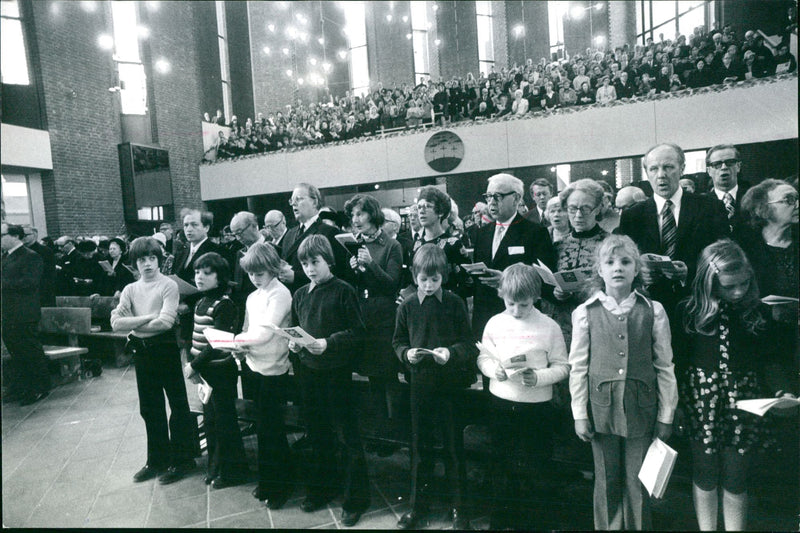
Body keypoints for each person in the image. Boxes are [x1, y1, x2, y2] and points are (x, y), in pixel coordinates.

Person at [674, 239, 794, 531]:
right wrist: (674, 405)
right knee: (704, 471)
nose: (738, 292)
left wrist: (782, 391)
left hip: (745, 402)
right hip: (701, 403)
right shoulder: (688, 312)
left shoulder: (758, 312)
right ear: (708, 281)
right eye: (729, 286)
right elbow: (675, 362)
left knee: (737, 475)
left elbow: (770, 361)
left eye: (743, 283)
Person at [569, 234, 678, 530]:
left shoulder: (653, 311)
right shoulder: (584, 313)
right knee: (605, 479)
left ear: (636, 270)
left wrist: (666, 414)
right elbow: (577, 368)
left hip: (642, 407)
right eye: (610, 262)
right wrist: (580, 414)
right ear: (599, 270)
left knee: (639, 480)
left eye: (626, 262)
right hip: (600, 409)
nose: (618, 267)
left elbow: (664, 366)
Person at [393, 244, 478, 530]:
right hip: (420, 385)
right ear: (415, 276)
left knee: (454, 447)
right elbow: (397, 342)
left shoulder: (454, 303)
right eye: (423, 279)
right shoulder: (406, 305)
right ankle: (418, 507)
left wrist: (451, 353)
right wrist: (407, 354)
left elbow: (469, 344)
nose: (429, 285)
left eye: (435, 279)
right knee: (420, 447)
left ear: (444, 276)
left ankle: (460, 509)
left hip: (450, 386)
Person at [477, 264, 569, 530]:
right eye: (510, 304)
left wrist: (538, 377)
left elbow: (562, 366)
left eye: (524, 305)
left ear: (536, 298)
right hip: (501, 402)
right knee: (501, 462)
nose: (516, 311)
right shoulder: (495, 322)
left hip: (536, 407)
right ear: (502, 297)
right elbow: (484, 356)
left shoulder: (549, 326)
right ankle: (501, 519)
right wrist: (494, 370)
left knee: (534, 465)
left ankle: (532, 523)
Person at [289, 235, 369, 526]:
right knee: (317, 432)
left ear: (328, 261)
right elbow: (297, 327)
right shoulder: (299, 294)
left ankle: (356, 499)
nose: (310, 268)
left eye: (315, 262)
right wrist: (295, 344)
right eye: (305, 263)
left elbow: (358, 332)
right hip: (308, 371)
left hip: (336, 372)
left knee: (347, 436)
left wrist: (329, 343)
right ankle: (323, 489)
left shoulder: (344, 290)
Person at [110, 237, 197, 485]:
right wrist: (149, 316)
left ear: (159, 260)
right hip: (142, 351)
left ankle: (182, 460)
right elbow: (115, 323)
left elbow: (166, 323)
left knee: (177, 405)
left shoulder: (167, 285)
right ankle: (156, 459)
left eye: (152, 258)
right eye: (141, 259)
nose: (147, 264)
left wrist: (135, 321)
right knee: (149, 407)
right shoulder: (130, 289)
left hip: (165, 349)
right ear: (134, 263)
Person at [617, 143, 729, 322]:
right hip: (647, 308)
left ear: (682, 168)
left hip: (698, 304)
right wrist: (639, 274)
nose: (661, 175)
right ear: (647, 173)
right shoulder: (632, 215)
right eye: (654, 169)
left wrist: (689, 272)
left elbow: (723, 256)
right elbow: (621, 261)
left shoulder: (710, 207)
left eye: (668, 167)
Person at [232, 243, 295, 509]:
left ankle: (281, 484)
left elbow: (267, 332)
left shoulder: (280, 294)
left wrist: (238, 340)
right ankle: (268, 480)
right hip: (253, 364)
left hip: (275, 368)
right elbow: (248, 327)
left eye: (259, 273)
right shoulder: (253, 296)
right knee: (263, 428)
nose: (255, 279)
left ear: (271, 269)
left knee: (273, 429)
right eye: (250, 274)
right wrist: (238, 348)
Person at [181, 252, 248, 489]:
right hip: (205, 372)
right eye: (197, 272)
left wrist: (194, 365)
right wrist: (193, 361)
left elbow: (216, 342)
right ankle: (215, 466)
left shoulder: (225, 304)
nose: (199, 276)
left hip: (220, 371)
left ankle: (234, 471)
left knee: (224, 421)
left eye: (206, 273)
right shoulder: (201, 301)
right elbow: (195, 338)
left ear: (219, 277)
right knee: (210, 421)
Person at [343, 194, 403, 452]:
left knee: (387, 376)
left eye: (360, 214)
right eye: (353, 215)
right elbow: (356, 283)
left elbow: (392, 284)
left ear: (372, 215)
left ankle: (395, 433)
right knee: (372, 379)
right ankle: (379, 431)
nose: (355, 220)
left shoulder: (390, 245)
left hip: (384, 315)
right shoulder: (355, 243)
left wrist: (370, 265)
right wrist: (353, 268)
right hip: (363, 313)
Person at [472, 173, 556, 338]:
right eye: (488, 197)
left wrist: (506, 280)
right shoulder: (482, 233)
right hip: (485, 317)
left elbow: (544, 278)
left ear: (516, 199)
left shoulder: (535, 232)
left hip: (520, 318)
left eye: (498, 196)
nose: (491, 202)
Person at [1, 223, 51, 405]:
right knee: (16, 352)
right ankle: (22, 386)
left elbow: (30, 282)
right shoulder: (5, 257)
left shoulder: (31, 256)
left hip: (24, 313)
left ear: (15, 236)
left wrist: (3, 284)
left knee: (30, 351)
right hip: (8, 314)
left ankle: (40, 387)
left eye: (1, 235)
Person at [280, 183, 348, 294]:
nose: (293, 204)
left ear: (314, 202)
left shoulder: (330, 232)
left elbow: (337, 271)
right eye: (291, 201)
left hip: (321, 296)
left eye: (299, 199)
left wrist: (296, 276)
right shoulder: (289, 234)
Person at [410, 186, 471, 297]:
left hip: (449, 307)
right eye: (419, 207)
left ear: (441, 212)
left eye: (427, 206)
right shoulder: (416, 245)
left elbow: (468, 284)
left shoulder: (453, 244)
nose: (421, 211)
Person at [704, 144, 750, 231]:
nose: (724, 167)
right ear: (709, 171)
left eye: (730, 162)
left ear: (738, 166)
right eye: (717, 164)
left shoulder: (752, 199)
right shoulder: (701, 204)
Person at [22, 225, 56, 306]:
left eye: (25, 235)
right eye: (21, 235)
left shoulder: (45, 251)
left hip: (42, 293)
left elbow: (49, 274)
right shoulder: (20, 252)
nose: (22, 237)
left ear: (34, 235)